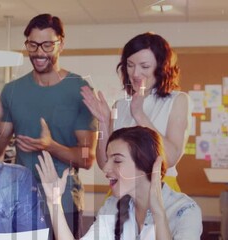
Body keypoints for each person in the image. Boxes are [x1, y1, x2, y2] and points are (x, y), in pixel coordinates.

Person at [0, 13, 97, 238]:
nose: (39, 52)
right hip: (22, 199)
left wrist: (50, 145)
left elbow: (87, 158)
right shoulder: (12, 91)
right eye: (33, 45)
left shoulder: (79, 89)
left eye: (47, 45)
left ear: (61, 44)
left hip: (65, 199)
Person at [36, 126, 202, 240]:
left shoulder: (185, 210)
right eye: (108, 159)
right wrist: (54, 202)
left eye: (117, 160)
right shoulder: (112, 206)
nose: (106, 168)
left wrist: (158, 212)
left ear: (146, 164)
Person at [81, 32, 191, 192]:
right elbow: (105, 163)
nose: (135, 73)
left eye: (144, 66)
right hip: (121, 189)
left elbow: (171, 158)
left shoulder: (178, 100)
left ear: (161, 68)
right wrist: (103, 123)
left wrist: (139, 115)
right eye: (130, 65)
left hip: (160, 189)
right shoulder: (120, 105)